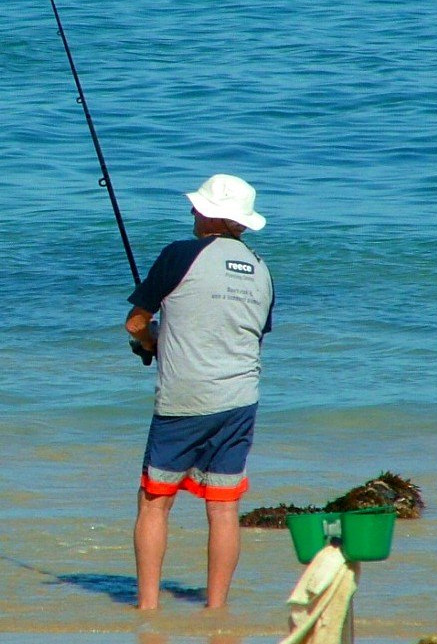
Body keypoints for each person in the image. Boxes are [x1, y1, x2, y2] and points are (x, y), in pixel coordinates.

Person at [125, 173, 274, 611]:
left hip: (184, 400)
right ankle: (217, 609)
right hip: (241, 401)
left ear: (208, 214)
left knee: (154, 501)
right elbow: (248, 336)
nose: (192, 211)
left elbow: (136, 323)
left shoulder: (178, 255)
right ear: (242, 223)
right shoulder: (262, 271)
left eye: (197, 206)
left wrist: (151, 341)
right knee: (224, 508)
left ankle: (148, 608)